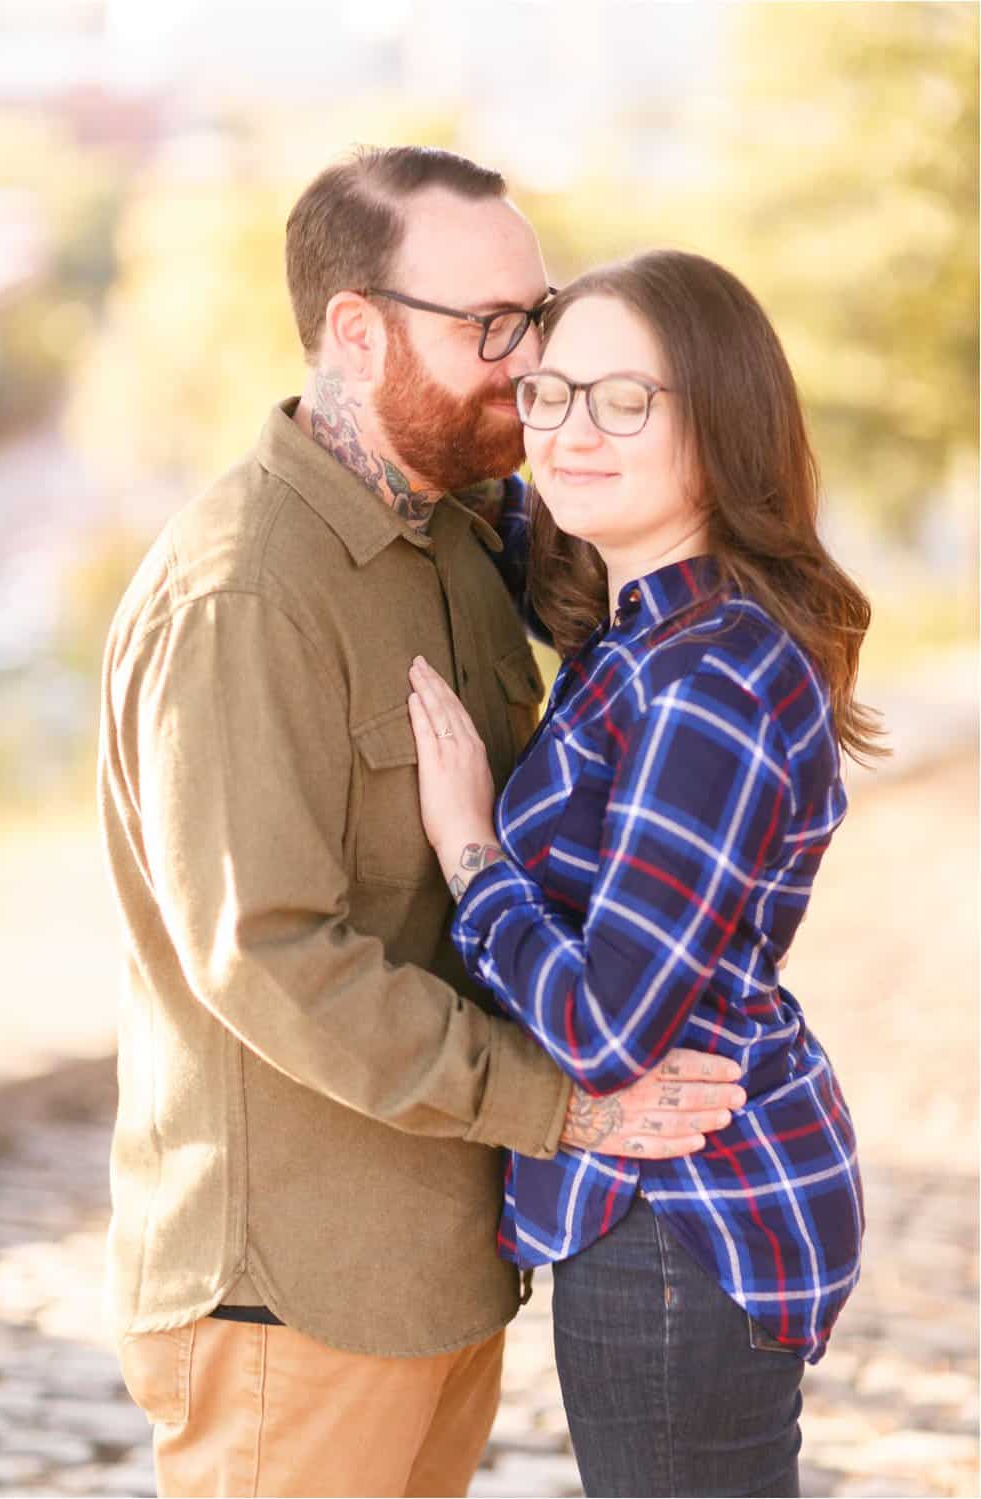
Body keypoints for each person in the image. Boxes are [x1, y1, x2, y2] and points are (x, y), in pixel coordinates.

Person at [98, 149, 745, 1499]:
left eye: (540, 314)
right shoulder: (245, 593)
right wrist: (562, 1104)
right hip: (295, 1292)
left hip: (437, 1271)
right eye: (493, 329)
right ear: (356, 328)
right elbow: (267, 951)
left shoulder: (460, 532)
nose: (528, 361)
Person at [408, 248, 884, 1498]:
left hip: (682, 1207)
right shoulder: (643, 622)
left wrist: (471, 849)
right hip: (671, 1197)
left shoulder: (709, 676)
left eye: (626, 400)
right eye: (551, 393)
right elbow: (508, 504)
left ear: (720, 423)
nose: (570, 431)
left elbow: (608, 1025)